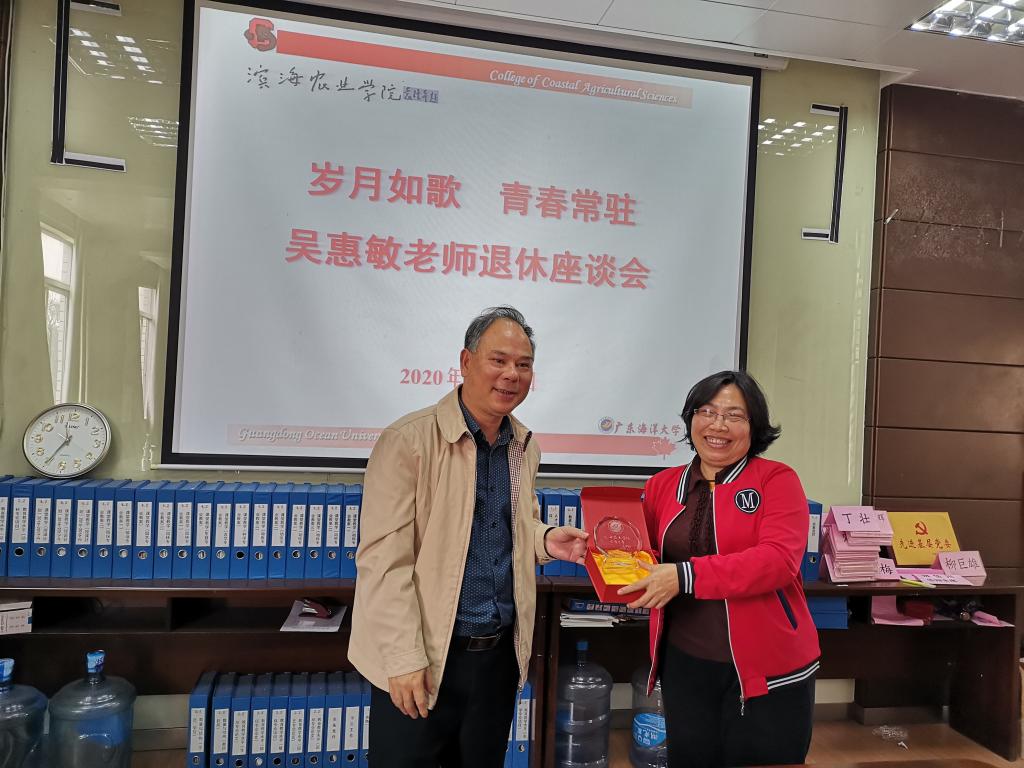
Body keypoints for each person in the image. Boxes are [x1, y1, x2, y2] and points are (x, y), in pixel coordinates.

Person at [349, 306, 589, 768]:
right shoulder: (408, 440)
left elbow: (506, 528)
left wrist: (545, 540)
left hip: (496, 658)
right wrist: (403, 658)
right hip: (426, 655)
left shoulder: (523, 445)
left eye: (523, 364)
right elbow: (383, 562)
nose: (511, 375)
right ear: (466, 361)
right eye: (498, 360)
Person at [619, 370, 820, 767]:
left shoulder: (777, 480)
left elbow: (778, 560)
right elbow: (640, 553)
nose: (718, 425)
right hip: (685, 663)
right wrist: (596, 551)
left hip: (767, 668)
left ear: (754, 426)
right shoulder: (662, 486)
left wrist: (685, 576)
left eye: (734, 415)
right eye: (707, 411)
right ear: (691, 418)